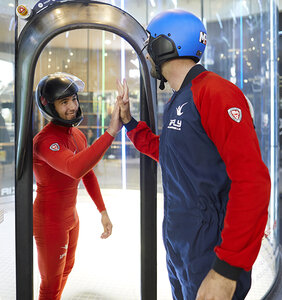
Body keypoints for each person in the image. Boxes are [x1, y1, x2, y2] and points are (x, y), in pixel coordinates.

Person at [116, 10, 271, 300]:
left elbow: (252, 183)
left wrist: (227, 269)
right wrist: (130, 124)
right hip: (181, 239)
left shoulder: (215, 93)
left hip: (210, 247)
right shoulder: (180, 98)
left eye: (150, 45)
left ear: (165, 45)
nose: (147, 54)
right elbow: (174, 155)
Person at [33, 72, 122, 300]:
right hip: (49, 221)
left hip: (71, 218)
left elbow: (87, 174)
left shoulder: (77, 136)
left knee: (67, 270)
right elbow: (74, 168)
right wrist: (111, 131)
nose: (73, 106)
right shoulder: (44, 141)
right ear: (49, 107)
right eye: (64, 102)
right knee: (50, 284)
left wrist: (102, 211)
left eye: (74, 99)